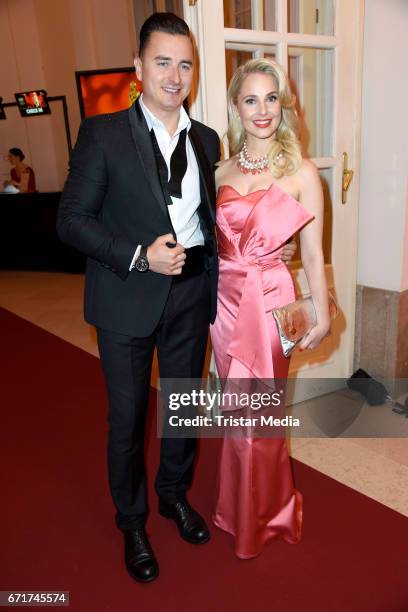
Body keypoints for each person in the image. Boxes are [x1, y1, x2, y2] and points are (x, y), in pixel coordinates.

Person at [57, 13, 296, 583]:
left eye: (184, 64)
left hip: (193, 292)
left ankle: (173, 494)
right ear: (139, 68)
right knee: (130, 416)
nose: (174, 74)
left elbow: (218, 220)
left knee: (183, 407)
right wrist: (140, 254)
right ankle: (132, 520)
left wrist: (267, 252)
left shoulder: (208, 139)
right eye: (162, 62)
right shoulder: (103, 133)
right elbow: (71, 221)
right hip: (125, 296)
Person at [210, 58, 331, 559]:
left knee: (260, 417)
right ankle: (241, 507)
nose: (262, 110)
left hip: (271, 303)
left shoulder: (302, 172)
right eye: (251, 99)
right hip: (222, 303)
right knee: (234, 413)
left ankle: (266, 515)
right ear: (236, 107)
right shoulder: (218, 169)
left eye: (271, 98)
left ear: (284, 105)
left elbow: (315, 255)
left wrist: (322, 314)